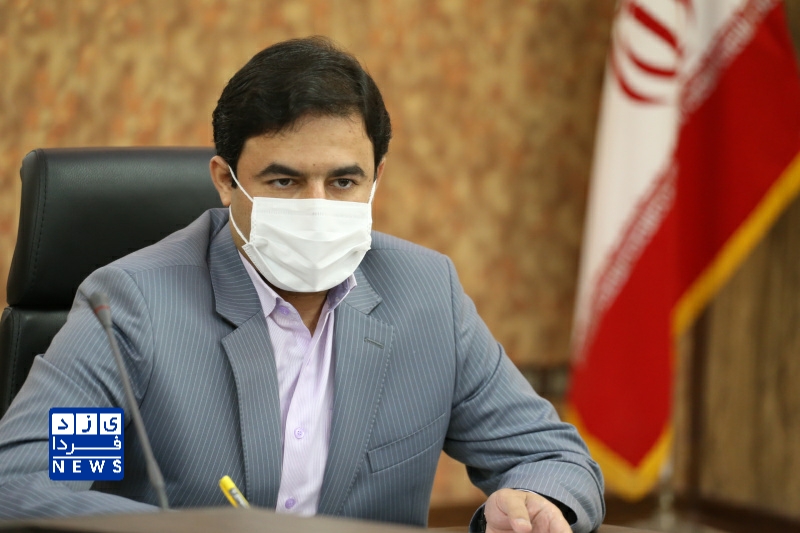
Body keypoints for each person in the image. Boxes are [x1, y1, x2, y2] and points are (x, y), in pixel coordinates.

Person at [0, 37, 604, 532]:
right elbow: (26, 486)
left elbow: (550, 456)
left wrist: (534, 503)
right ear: (225, 180)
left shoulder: (424, 296)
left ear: (377, 177)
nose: (318, 206)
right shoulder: (131, 310)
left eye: (343, 182)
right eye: (284, 182)